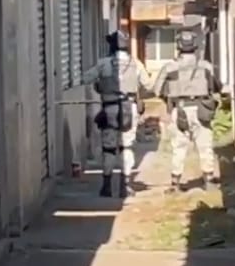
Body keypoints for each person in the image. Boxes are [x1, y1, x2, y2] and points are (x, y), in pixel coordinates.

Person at [82, 30, 156, 198]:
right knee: (127, 147)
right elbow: (148, 85)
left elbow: (86, 78)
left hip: (109, 109)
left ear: (112, 46)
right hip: (129, 109)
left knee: (108, 149)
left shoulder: (103, 63)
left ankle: (106, 186)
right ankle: (125, 185)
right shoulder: (136, 64)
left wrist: (100, 85)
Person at [153, 28, 224, 193]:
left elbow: (157, 90)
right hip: (202, 109)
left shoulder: (170, 67)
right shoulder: (205, 66)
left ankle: (175, 182)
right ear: (195, 46)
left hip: (179, 109)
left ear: (178, 46)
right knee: (205, 145)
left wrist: (170, 100)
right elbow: (216, 87)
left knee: (178, 147)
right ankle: (209, 180)